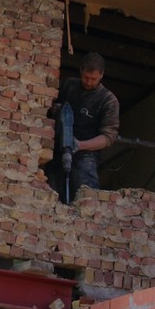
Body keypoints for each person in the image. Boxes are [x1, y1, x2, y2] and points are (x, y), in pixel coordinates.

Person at [48, 52, 120, 199]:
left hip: (85, 155)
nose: (89, 82)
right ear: (81, 70)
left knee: (86, 197)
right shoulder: (68, 85)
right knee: (51, 194)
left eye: (93, 79)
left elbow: (108, 137)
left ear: (101, 75)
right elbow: (48, 108)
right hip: (56, 149)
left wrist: (80, 145)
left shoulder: (107, 100)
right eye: (86, 77)